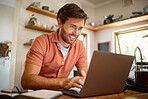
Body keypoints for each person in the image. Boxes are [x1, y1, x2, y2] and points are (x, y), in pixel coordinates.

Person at [21, 3, 88, 90]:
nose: (76, 33)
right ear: (59, 23)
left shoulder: (80, 46)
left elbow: (85, 76)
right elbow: (26, 81)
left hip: (61, 95)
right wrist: (64, 82)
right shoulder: (41, 42)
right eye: (72, 26)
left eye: (80, 28)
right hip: (39, 95)